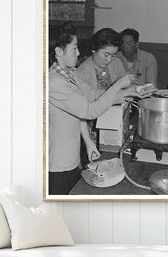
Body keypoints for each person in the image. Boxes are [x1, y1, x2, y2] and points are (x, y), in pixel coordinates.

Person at [48, 22, 137, 195]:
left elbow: (89, 96)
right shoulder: (54, 83)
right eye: (74, 48)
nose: (79, 52)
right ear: (59, 51)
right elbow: (89, 111)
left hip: (71, 155)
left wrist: (88, 142)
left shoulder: (69, 73)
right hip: (58, 161)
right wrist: (118, 85)